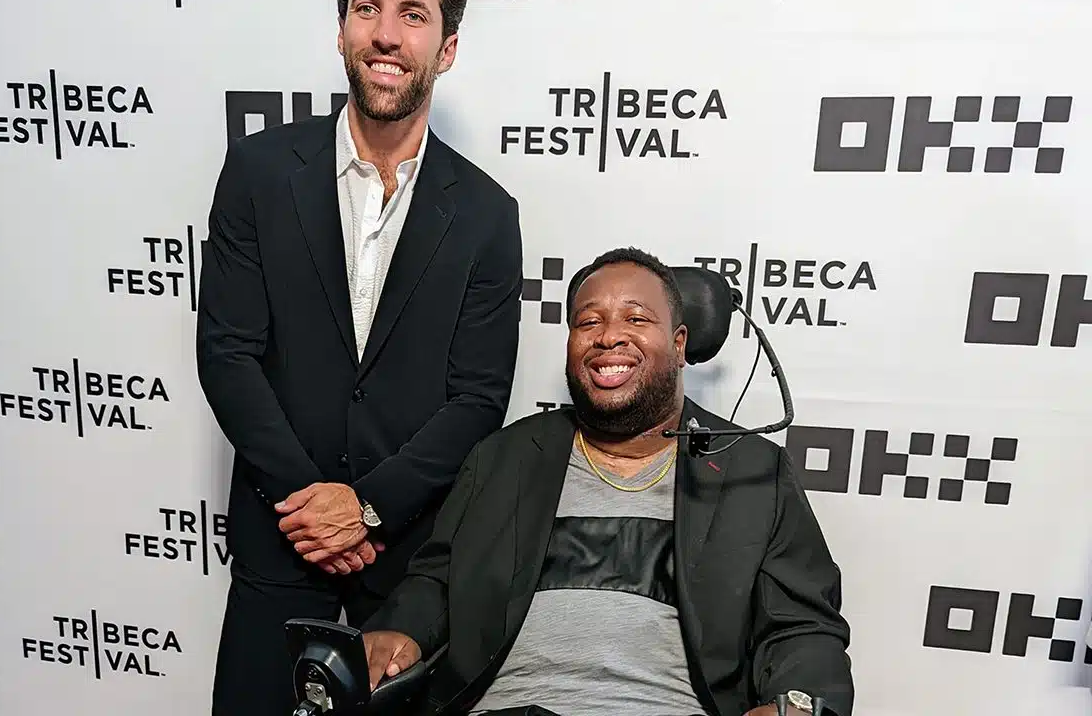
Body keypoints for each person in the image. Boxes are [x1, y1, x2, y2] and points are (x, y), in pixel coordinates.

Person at [195, 0, 523, 714]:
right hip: (283, 534)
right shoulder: (260, 170)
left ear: (446, 47)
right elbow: (228, 354)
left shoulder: (485, 213)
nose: (386, 34)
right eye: (367, 9)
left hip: (408, 557)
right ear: (341, 28)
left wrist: (367, 507)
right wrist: (315, 502)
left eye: (414, 15)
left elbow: (478, 398)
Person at [360, 248, 855, 716]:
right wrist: (400, 630)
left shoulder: (753, 471)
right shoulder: (504, 457)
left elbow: (803, 627)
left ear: (679, 344)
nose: (608, 337)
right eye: (588, 321)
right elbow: (438, 580)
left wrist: (798, 700)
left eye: (636, 319)